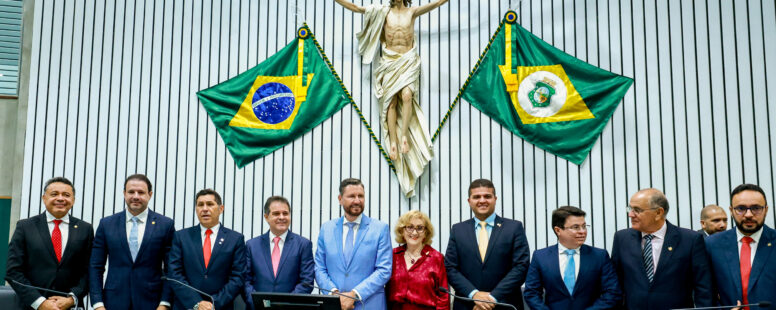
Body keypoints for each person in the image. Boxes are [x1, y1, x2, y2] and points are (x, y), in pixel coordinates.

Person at [334, 0, 447, 197]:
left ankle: (404, 137)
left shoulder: (412, 12)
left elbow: (436, 4)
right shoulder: (382, 12)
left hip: (408, 60)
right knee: (391, 102)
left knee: (407, 95)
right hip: (389, 60)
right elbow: (356, 8)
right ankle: (393, 141)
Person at [610, 188, 713, 309]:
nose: (630, 214)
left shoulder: (690, 240)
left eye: (637, 210)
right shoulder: (622, 238)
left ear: (658, 213)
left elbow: (703, 287)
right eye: (630, 209)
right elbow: (615, 284)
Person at [89, 174, 176, 310]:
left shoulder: (165, 225)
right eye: (131, 192)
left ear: (150, 195)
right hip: (113, 302)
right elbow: (95, 266)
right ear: (124, 193)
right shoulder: (106, 224)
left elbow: (171, 268)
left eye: (141, 192)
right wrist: (98, 304)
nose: (135, 196)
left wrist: (165, 303)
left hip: (152, 302)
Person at [5, 177, 94, 310]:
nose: (60, 198)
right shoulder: (25, 227)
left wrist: (71, 298)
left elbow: (89, 270)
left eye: (66, 195)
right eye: (54, 194)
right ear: (44, 198)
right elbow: (13, 271)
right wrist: (40, 302)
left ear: (73, 200)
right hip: (32, 306)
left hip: (69, 306)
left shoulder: (85, 229)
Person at [445, 179, 530, 310]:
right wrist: (474, 294)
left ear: (495, 199)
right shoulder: (458, 230)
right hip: (468, 305)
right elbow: (450, 268)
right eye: (477, 197)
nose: (482, 200)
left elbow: (521, 267)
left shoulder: (514, 228)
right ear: (469, 201)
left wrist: (492, 298)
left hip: (504, 304)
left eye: (487, 196)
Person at [314, 178, 392, 310]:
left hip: (369, 304)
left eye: (360, 196)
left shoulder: (380, 229)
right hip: (334, 304)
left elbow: (384, 270)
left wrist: (354, 295)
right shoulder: (326, 229)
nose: (357, 201)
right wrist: (334, 294)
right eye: (351, 196)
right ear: (340, 199)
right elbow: (319, 267)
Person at [523, 206, 621, 310]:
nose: (582, 231)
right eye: (576, 227)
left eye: (584, 226)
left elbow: (612, 292)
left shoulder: (600, 256)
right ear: (558, 230)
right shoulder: (541, 257)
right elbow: (531, 293)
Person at [167, 189, 246, 310]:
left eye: (210, 204)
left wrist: (214, 303)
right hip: (186, 306)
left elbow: (237, 277)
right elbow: (175, 274)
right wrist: (197, 303)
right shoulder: (181, 237)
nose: (204, 209)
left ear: (221, 208)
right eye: (200, 205)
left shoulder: (235, 239)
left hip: (220, 307)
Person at [706, 184, 776, 309]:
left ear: (766, 210)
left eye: (756, 208)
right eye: (741, 208)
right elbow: (704, 291)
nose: (748, 214)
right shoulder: (712, 244)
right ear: (731, 210)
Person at [244, 196, 314, 308]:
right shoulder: (252, 245)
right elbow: (245, 281)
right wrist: (258, 303)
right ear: (266, 217)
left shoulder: (303, 245)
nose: (281, 217)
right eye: (276, 214)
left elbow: (306, 282)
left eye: (285, 213)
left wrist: (284, 305)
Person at [386, 210, 449, 310]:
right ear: (402, 231)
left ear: (426, 232)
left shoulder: (436, 258)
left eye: (420, 228)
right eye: (410, 227)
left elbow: (443, 298)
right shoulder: (392, 256)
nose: (414, 232)